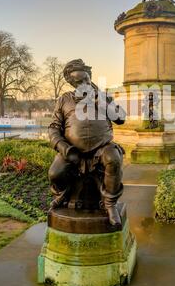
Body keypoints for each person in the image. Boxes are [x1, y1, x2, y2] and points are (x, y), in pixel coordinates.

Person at [48, 59, 126, 227]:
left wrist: (100, 101)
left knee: (113, 158)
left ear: (90, 77)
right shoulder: (64, 100)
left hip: (102, 149)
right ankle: (63, 193)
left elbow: (121, 118)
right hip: (72, 151)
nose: (84, 83)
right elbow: (53, 128)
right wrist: (64, 148)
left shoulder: (103, 97)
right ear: (71, 82)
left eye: (86, 79)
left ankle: (110, 204)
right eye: (78, 81)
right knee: (55, 173)